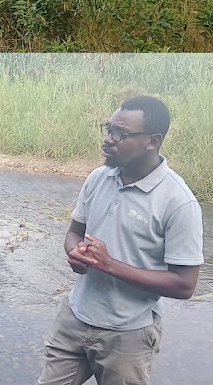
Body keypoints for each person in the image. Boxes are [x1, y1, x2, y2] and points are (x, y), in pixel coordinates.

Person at [38, 95, 203, 385]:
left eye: (120, 134)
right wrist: (75, 253)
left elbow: (184, 285)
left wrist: (109, 265)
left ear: (152, 141)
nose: (108, 139)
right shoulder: (99, 178)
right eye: (108, 128)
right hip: (75, 316)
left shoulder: (178, 202)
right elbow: (74, 232)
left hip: (129, 334)